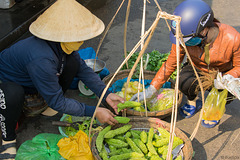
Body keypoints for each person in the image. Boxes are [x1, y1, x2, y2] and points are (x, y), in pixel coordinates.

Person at [0, 0, 124, 158]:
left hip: (34, 80)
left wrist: (105, 93)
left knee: (73, 63)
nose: (82, 40)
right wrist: (94, 112)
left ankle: (44, 105)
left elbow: (83, 70)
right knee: (12, 94)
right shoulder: (41, 57)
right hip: (8, 85)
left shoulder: (61, 45)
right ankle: (7, 139)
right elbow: (57, 100)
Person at [131, 0, 240, 128]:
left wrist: (228, 77)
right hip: (198, 68)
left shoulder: (233, 38)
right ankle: (192, 101)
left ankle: (213, 108)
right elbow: (171, 62)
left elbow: (239, 66)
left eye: (187, 39)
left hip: (223, 73)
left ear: (204, 30)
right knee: (183, 81)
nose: (183, 42)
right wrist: (152, 88)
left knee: (228, 94)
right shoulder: (182, 37)